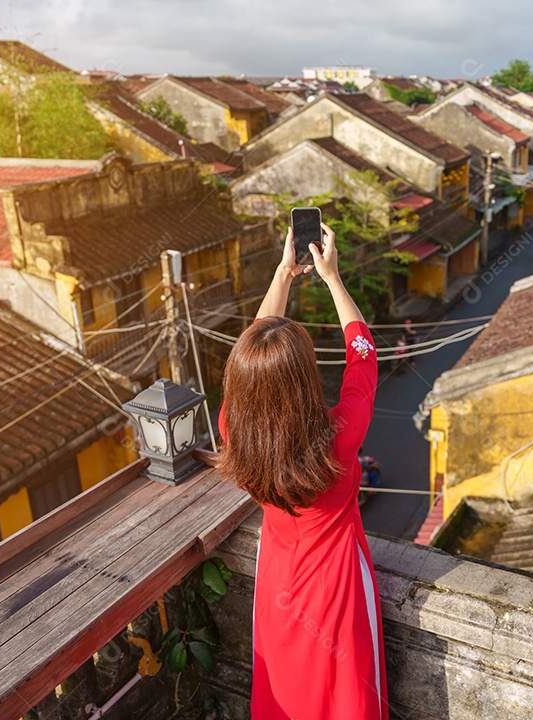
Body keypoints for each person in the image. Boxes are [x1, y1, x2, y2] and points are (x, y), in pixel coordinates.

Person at [218, 224, 388, 719]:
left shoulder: (234, 430)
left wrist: (281, 275)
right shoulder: (338, 436)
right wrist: (333, 279)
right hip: (336, 592)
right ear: (306, 379)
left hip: (277, 583)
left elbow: (254, 350)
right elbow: (364, 361)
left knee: (284, 694)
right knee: (345, 697)